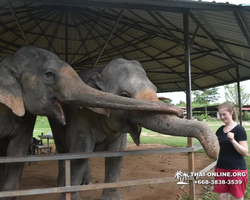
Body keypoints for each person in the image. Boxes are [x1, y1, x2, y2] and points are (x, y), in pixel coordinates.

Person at [214, 102, 249, 200]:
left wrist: (233, 141)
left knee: (237, 197)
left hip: (236, 168)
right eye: (220, 114)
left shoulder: (239, 130)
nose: (222, 117)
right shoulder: (220, 130)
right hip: (221, 167)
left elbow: (245, 152)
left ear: (231, 113)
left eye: (224, 114)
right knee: (222, 196)